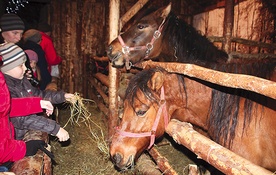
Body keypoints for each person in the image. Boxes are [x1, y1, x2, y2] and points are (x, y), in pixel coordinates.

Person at [0, 42, 72, 142]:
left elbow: (39, 95)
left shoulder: (22, 81)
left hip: (21, 137)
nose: (26, 69)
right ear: (7, 68)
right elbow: (21, 119)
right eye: (21, 66)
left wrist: (63, 96)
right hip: (11, 141)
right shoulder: (5, 89)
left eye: (25, 64)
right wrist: (55, 129)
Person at [0, 51, 55, 172]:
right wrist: (22, 148)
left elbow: (6, 106)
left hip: (8, 148)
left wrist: (38, 103)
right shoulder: (11, 82)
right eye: (21, 65)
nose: (26, 68)